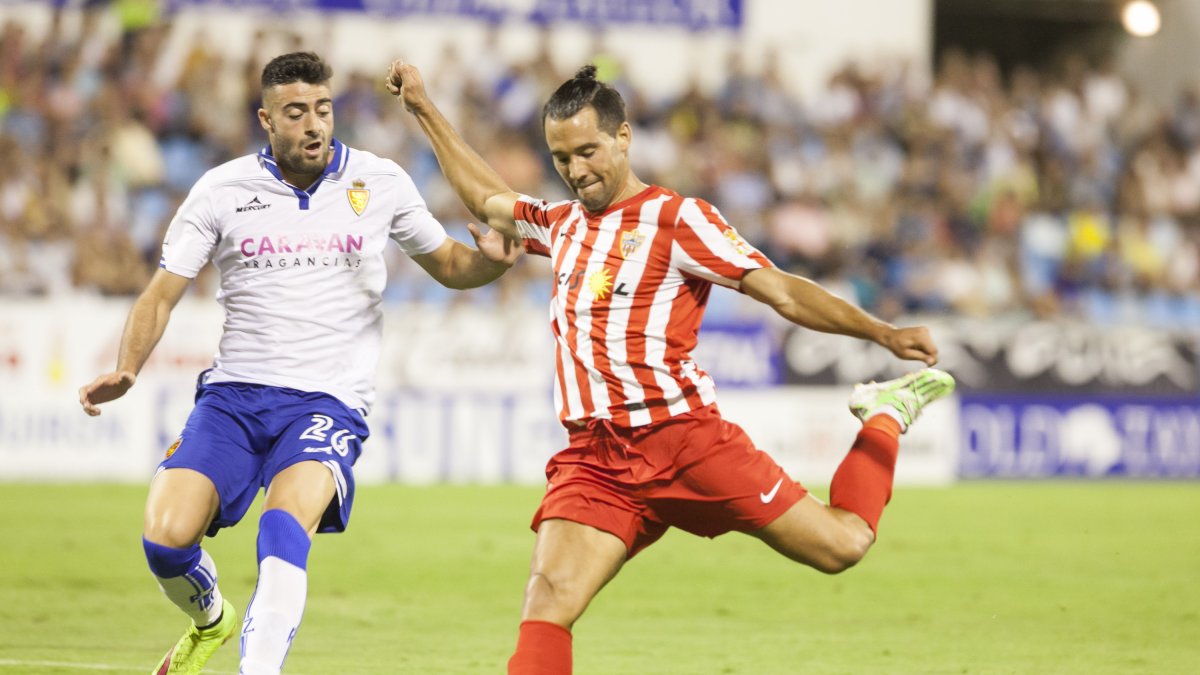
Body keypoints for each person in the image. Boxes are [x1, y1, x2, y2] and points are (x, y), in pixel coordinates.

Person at [387, 60, 956, 674]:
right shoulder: (562, 226)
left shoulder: (679, 220)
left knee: (842, 545)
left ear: (623, 137)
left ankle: (885, 416)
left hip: (685, 440)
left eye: (588, 151)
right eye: (561, 158)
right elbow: (488, 199)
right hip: (595, 458)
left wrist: (882, 332)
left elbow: (784, 292)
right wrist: (421, 105)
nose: (577, 171)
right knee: (547, 602)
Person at [78, 52, 518, 675]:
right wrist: (128, 368)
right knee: (165, 539)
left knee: (283, 529)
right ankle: (211, 620)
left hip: (327, 401)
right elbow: (161, 292)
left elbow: (449, 263)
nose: (313, 124)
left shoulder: (379, 181)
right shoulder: (222, 190)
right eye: (295, 113)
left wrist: (493, 263)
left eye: (322, 109)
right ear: (266, 119)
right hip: (233, 397)